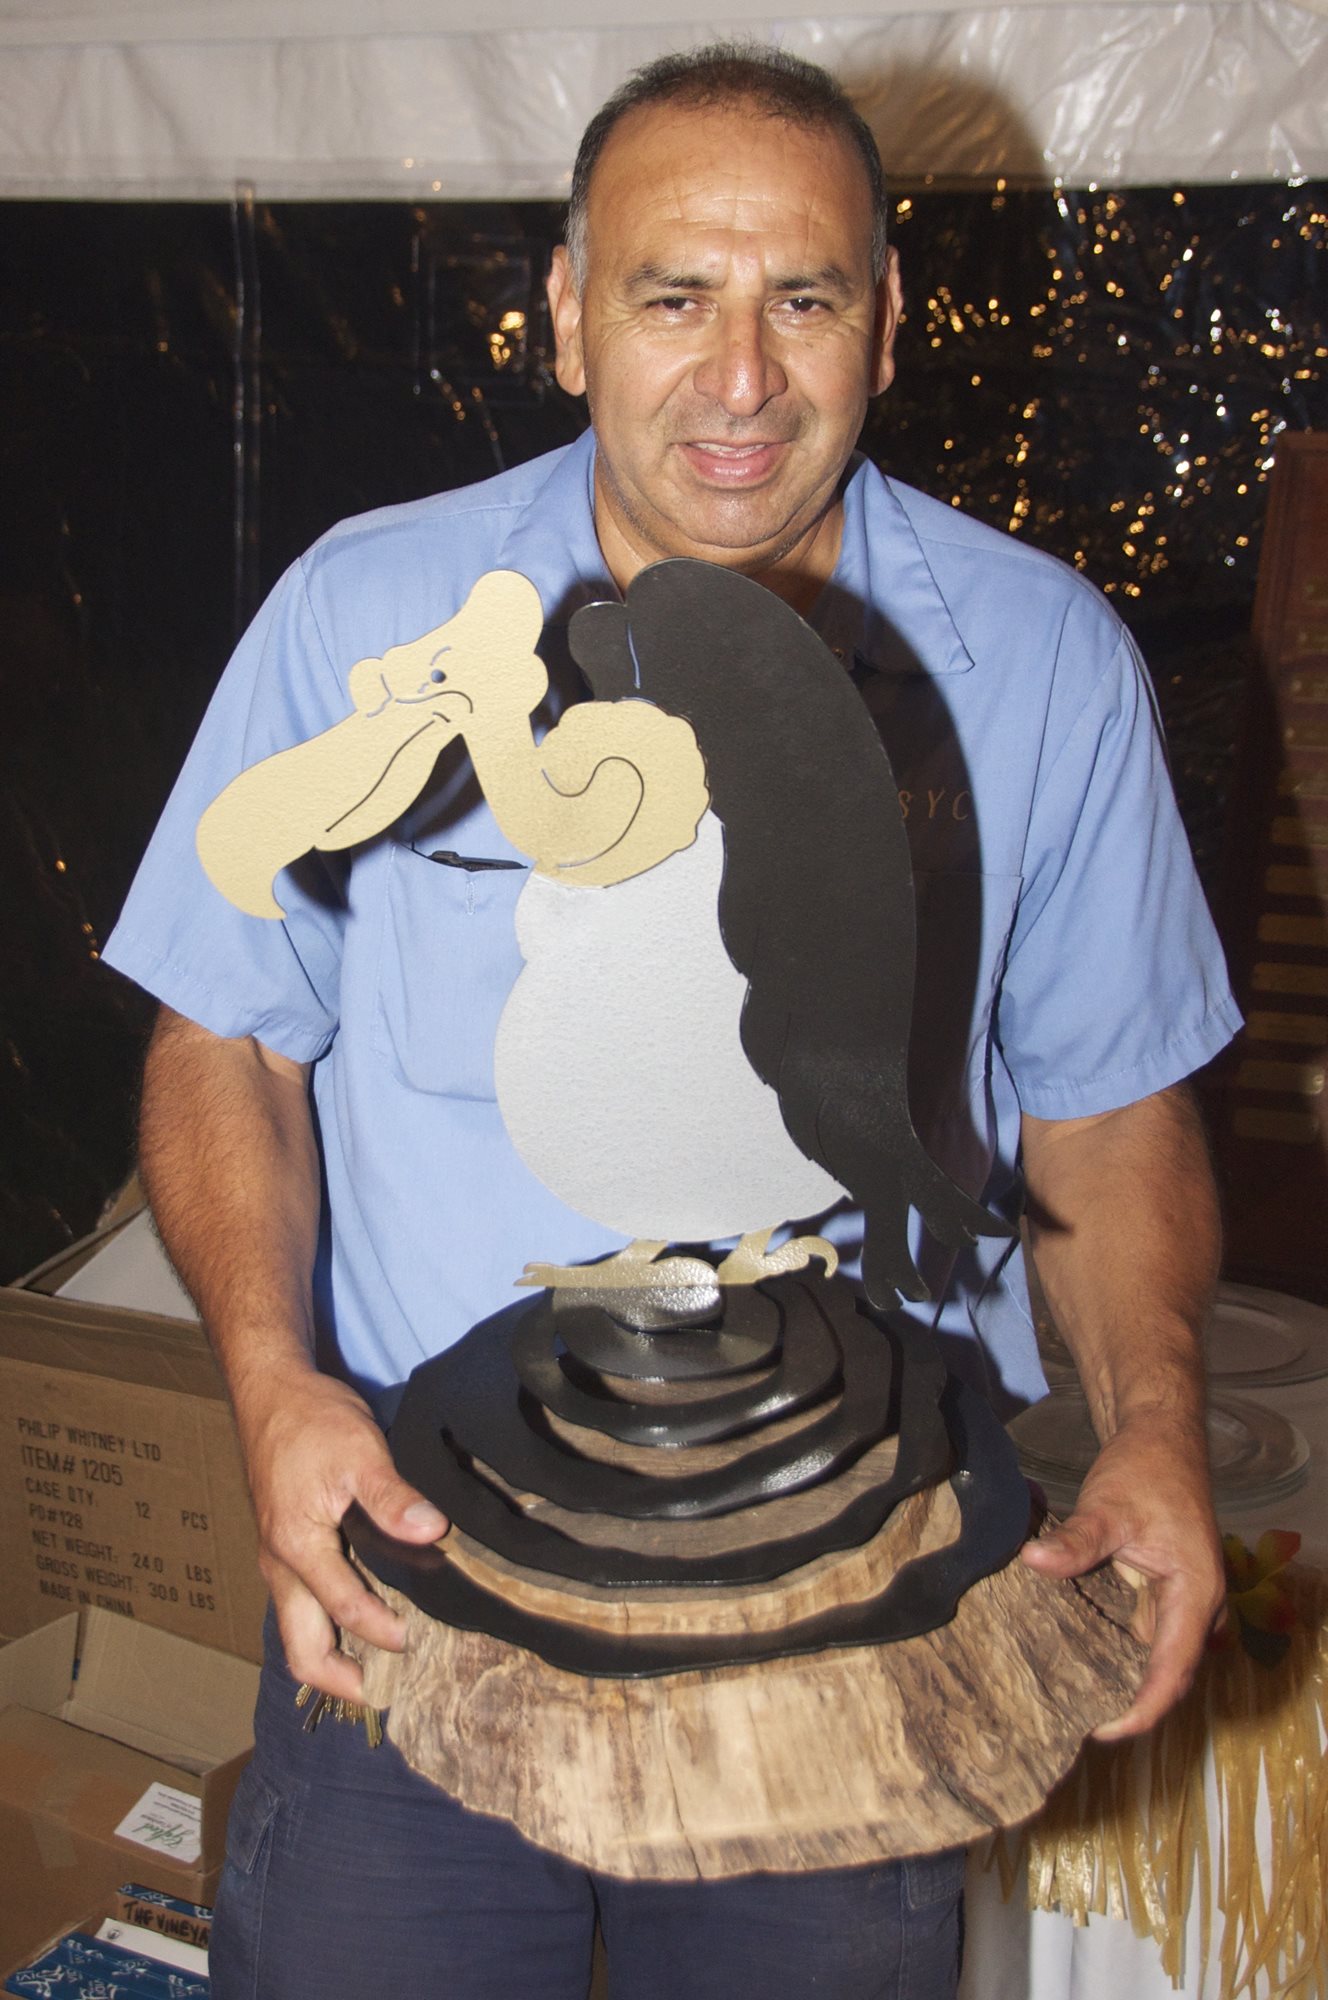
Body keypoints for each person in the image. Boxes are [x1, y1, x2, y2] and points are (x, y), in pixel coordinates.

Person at [104, 42, 1240, 2000]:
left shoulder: (1041, 661)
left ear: (888, 323)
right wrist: (275, 1388)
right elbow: (227, 1039)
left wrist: (1156, 1425)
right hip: (418, 1586)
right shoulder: (366, 618)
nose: (740, 377)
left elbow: (1107, 1102)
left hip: (850, 1617)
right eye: (671, 297)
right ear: (564, 315)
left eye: (802, 299)